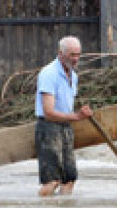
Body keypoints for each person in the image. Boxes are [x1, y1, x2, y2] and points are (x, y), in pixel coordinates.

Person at [34, 36, 93, 197]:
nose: (75, 59)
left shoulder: (73, 76)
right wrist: (77, 116)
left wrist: (78, 115)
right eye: (72, 55)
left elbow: (67, 106)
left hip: (65, 127)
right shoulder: (49, 74)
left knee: (69, 178)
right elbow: (48, 112)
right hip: (48, 128)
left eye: (78, 55)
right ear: (61, 53)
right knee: (52, 180)